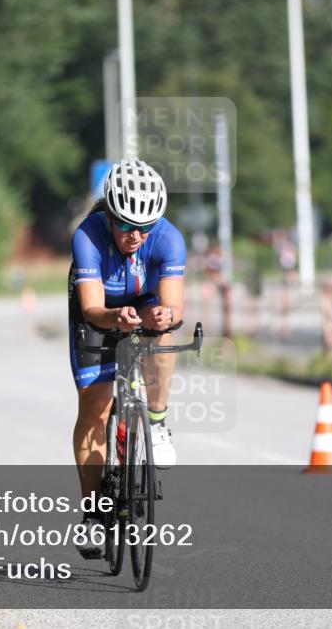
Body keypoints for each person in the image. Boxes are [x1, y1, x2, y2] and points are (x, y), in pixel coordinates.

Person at [68, 158, 186, 558]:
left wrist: (163, 315)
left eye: (145, 228)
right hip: (100, 310)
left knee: (165, 334)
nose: (136, 236)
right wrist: (115, 318)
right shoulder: (88, 236)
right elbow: (91, 309)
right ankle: (92, 516)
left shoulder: (169, 239)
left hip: (144, 299)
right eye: (126, 226)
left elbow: (174, 306)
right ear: (110, 216)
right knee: (96, 409)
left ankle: (155, 422)